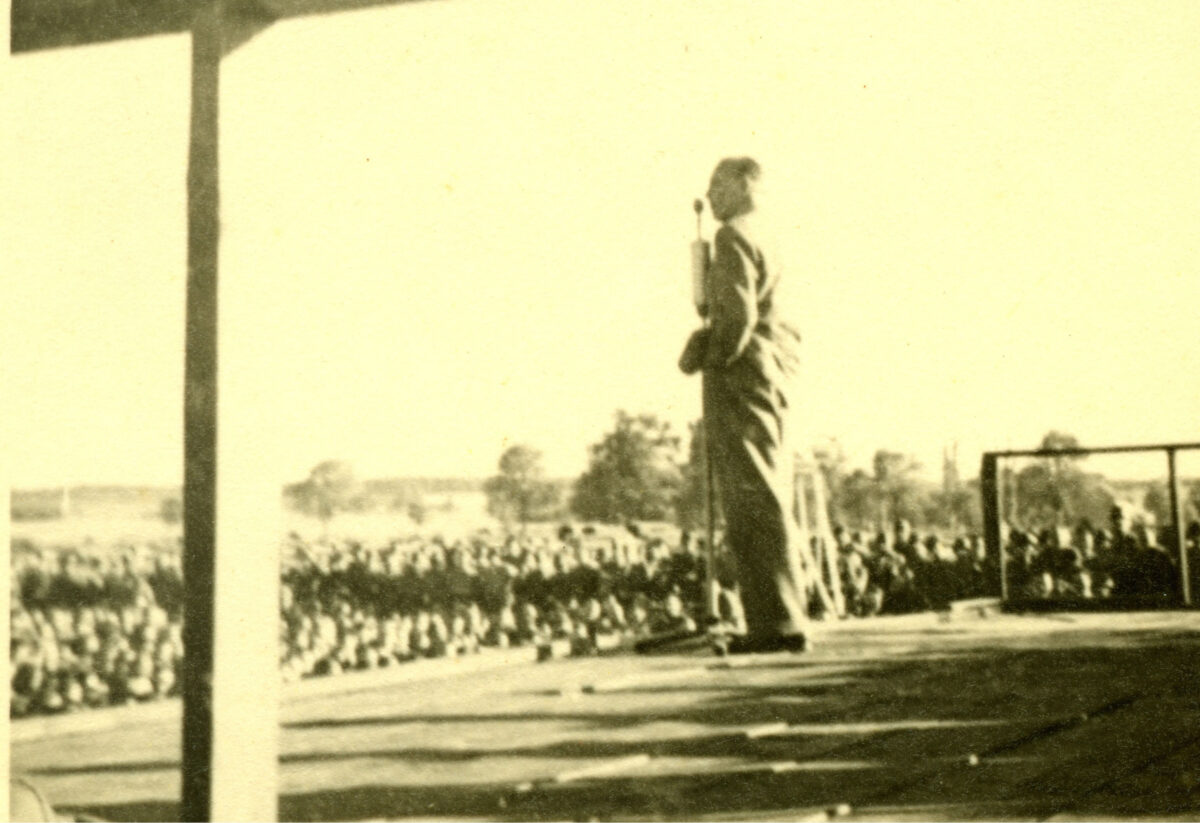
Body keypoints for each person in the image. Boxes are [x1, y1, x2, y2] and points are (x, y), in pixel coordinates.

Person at [698, 156, 808, 652]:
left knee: (751, 498)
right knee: (766, 489)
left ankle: (776, 624)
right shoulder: (772, 234)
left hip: (744, 375)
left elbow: (737, 320)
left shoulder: (733, 236)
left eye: (717, 185)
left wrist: (708, 354)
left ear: (744, 185)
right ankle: (780, 618)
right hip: (773, 369)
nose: (710, 195)